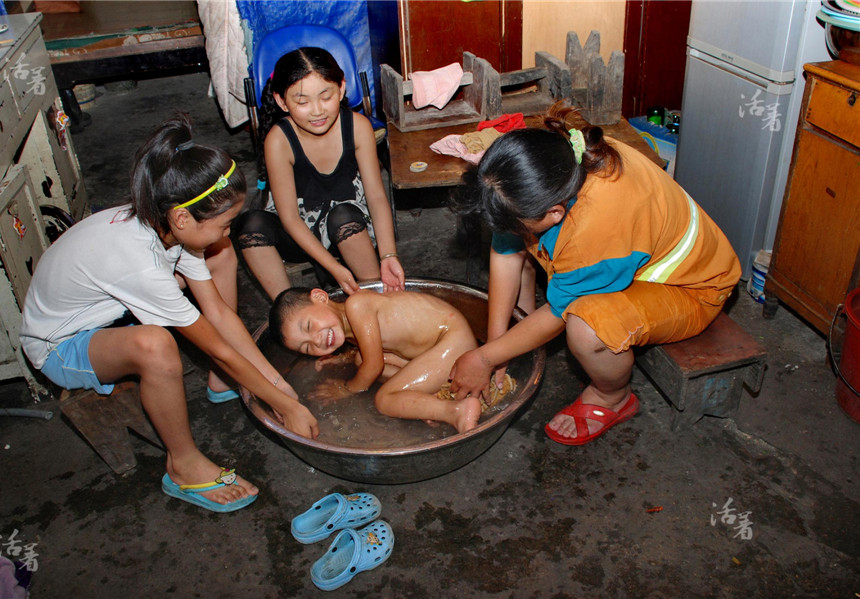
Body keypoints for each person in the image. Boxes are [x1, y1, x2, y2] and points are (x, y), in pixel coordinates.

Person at [19, 113, 319, 513]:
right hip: (59, 344)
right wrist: (289, 407)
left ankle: (220, 384)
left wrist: (275, 383)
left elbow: (217, 313)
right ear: (182, 217)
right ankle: (183, 465)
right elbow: (219, 347)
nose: (230, 230)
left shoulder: (168, 223)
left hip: (107, 309)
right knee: (156, 346)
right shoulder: (139, 261)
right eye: (226, 223)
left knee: (221, 255)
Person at [449, 102, 741, 446]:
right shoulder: (559, 163)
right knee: (520, 232)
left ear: (556, 212)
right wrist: (496, 346)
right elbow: (506, 246)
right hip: (626, 256)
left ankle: (613, 398)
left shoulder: (596, 229)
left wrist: (484, 357)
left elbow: (559, 313)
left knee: (587, 329)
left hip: (691, 287)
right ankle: (519, 333)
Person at [232, 47, 404, 300]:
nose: (317, 111)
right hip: (298, 234)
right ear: (282, 102)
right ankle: (292, 310)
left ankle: (377, 297)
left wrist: (389, 255)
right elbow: (290, 219)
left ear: (342, 88)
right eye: (302, 102)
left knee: (343, 216)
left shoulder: (358, 127)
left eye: (326, 96)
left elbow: (377, 196)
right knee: (249, 225)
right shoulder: (278, 140)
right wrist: (334, 268)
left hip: (348, 228)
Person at [269, 287, 482, 433]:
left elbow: (374, 366)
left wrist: (346, 389)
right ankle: (427, 392)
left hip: (453, 341)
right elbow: (369, 354)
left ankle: (456, 411)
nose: (316, 340)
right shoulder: (350, 328)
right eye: (307, 347)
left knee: (384, 399)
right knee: (360, 359)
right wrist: (342, 358)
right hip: (438, 346)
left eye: (308, 326)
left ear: (321, 297)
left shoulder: (357, 305)